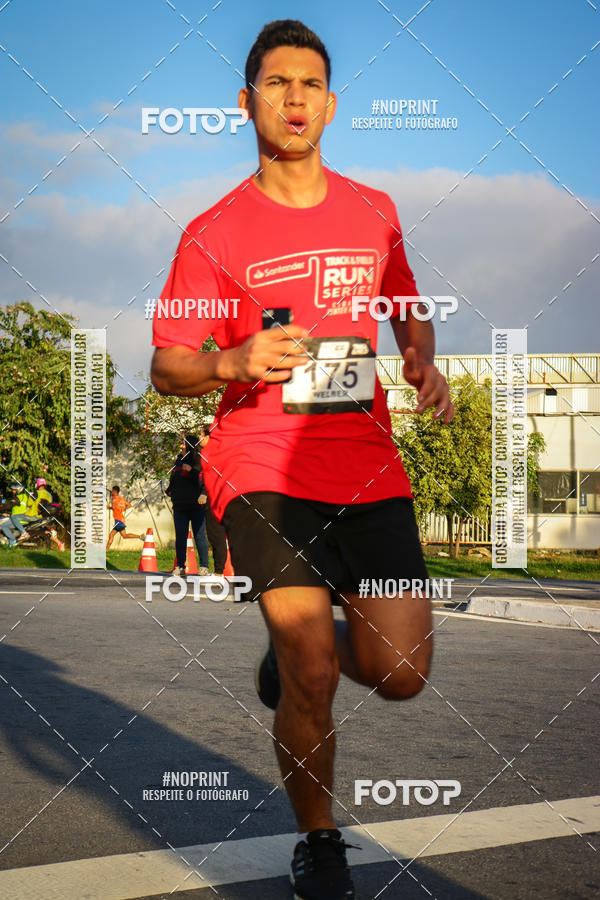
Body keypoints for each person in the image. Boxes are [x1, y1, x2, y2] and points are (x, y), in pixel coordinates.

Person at [151, 19, 454, 900]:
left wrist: (421, 357)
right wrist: (231, 362)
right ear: (246, 103)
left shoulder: (374, 210)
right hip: (261, 470)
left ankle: (286, 656)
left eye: (310, 83)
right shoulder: (212, 232)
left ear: (330, 103)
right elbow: (168, 365)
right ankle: (320, 843)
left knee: (401, 673)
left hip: (366, 467)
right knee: (315, 670)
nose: (294, 97)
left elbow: (407, 302)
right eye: (276, 82)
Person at [166, 435, 209, 576]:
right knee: (180, 536)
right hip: (180, 505)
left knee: (199, 536)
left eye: (184, 444)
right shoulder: (179, 460)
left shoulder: (198, 460)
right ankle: (180, 566)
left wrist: (191, 471)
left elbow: (203, 479)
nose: (181, 446)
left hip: (196, 505)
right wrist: (170, 490)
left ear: (190, 445)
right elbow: (174, 477)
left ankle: (204, 566)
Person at [198, 425, 228, 577]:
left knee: (217, 534)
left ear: (209, 436)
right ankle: (217, 570)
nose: (199, 437)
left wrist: (204, 493)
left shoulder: (215, 454)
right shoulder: (206, 453)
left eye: (201, 434)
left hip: (215, 498)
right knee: (212, 534)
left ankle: (219, 571)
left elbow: (213, 476)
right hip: (210, 497)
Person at [7, 477, 52, 544]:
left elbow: (29, 504)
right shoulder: (49, 495)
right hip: (42, 516)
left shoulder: (36, 493)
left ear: (37, 484)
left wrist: (31, 496)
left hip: (33, 515)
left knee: (14, 517)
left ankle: (23, 533)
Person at [106, 485, 143, 549]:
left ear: (115, 491)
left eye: (112, 491)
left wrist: (110, 507)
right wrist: (122, 509)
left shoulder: (115, 500)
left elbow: (116, 507)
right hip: (120, 520)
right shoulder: (120, 499)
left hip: (119, 520)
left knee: (113, 535)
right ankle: (140, 536)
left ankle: (106, 550)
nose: (111, 492)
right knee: (123, 536)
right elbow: (128, 505)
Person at [0, 482, 28, 546]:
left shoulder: (19, 497)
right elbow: (7, 503)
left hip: (18, 520)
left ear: (19, 489)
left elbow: (9, 505)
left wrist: (2, 507)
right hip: (21, 518)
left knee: (3, 526)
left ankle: (12, 541)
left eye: (14, 490)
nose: (13, 491)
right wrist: (3, 503)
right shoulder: (24, 496)